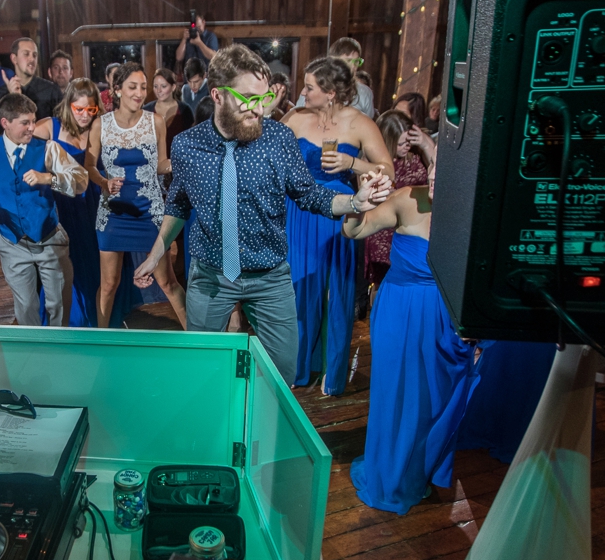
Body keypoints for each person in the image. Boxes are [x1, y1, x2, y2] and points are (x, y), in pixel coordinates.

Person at [133, 45, 393, 385]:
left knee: (281, 375)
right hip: (211, 276)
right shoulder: (187, 146)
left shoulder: (279, 139)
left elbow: (310, 195)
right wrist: (155, 255)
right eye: (248, 99)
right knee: (202, 370)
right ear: (218, 95)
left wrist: (356, 202)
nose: (258, 109)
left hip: (269, 279)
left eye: (263, 98)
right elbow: (180, 203)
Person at [344, 167, 479, 514]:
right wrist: (359, 204)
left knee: (433, 400)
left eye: (442, 173)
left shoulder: (475, 208)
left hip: (445, 316)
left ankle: (420, 468)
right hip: (400, 312)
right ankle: (390, 477)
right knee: (398, 396)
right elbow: (355, 230)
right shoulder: (407, 200)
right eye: (432, 170)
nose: (432, 180)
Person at [280, 57, 394, 395]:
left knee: (336, 292)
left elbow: (387, 169)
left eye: (310, 87)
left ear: (330, 92)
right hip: (298, 212)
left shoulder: (359, 123)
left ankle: (332, 370)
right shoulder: (296, 118)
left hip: (339, 213)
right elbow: (266, 148)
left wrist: (352, 162)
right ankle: (298, 367)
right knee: (298, 290)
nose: (303, 92)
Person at [0, 93, 87, 327]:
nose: (33, 127)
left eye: (33, 121)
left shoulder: (48, 148)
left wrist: (49, 178)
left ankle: (59, 350)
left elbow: (80, 180)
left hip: (49, 238)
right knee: (26, 306)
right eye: (25, 122)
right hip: (12, 242)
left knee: (57, 304)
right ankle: (34, 354)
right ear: (5, 123)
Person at [87, 63, 187, 328]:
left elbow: (160, 164)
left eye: (143, 87)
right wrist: (104, 182)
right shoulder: (101, 125)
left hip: (149, 213)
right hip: (113, 214)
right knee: (109, 284)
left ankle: (198, 339)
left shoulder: (155, 122)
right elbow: (89, 166)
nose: (140, 93)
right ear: (117, 90)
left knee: (166, 282)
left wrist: (180, 163)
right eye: (133, 87)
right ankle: (102, 339)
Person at [33, 78, 102, 327]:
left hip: (92, 203)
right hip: (61, 204)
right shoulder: (50, 126)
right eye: (79, 109)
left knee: (91, 260)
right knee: (62, 261)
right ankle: (63, 320)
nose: (85, 115)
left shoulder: (99, 127)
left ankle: (92, 319)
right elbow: (20, 142)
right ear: (69, 105)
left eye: (90, 110)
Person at [364, 110, 433, 292]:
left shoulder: (416, 156)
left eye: (408, 142)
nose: (406, 147)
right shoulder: (373, 161)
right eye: (401, 143)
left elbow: (439, 169)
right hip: (384, 229)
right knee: (382, 281)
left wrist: (426, 144)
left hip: (414, 227)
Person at [0, 38, 63, 138]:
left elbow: (62, 126)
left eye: (34, 55)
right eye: (26, 54)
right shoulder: (0, 95)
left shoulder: (51, 90)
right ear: (14, 58)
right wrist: (13, 100)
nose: (32, 59)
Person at [294, 38, 376, 117]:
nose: (353, 66)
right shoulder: (313, 89)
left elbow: (368, 122)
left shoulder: (365, 92)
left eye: (356, 61)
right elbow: (297, 115)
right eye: (347, 61)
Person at [144, 67, 194, 153]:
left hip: (179, 161)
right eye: (155, 86)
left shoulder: (185, 110)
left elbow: (191, 141)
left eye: (163, 86)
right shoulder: (146, 110)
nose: (158, 91)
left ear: (173, 87)